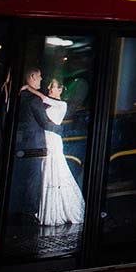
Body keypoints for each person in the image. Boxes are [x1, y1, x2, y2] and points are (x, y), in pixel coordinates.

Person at [37, 78, 85, 226]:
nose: (50, 88)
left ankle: (59, 210)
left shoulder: (61, 104)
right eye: (50, 85)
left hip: (53, 139)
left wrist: (28, 87)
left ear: (60, 90)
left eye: (54, 86)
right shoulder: (51, 102)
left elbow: (43, 98)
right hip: (47, 138)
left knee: (55, 170)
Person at [12, 68, 55, 223]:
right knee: (33, 176)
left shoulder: (19, 96)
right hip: (34, 143)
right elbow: (45, 123)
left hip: (21, 142)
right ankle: (30, 211)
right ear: (32, 77)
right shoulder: (35, 101)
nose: (41, 79)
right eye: (39, 77)